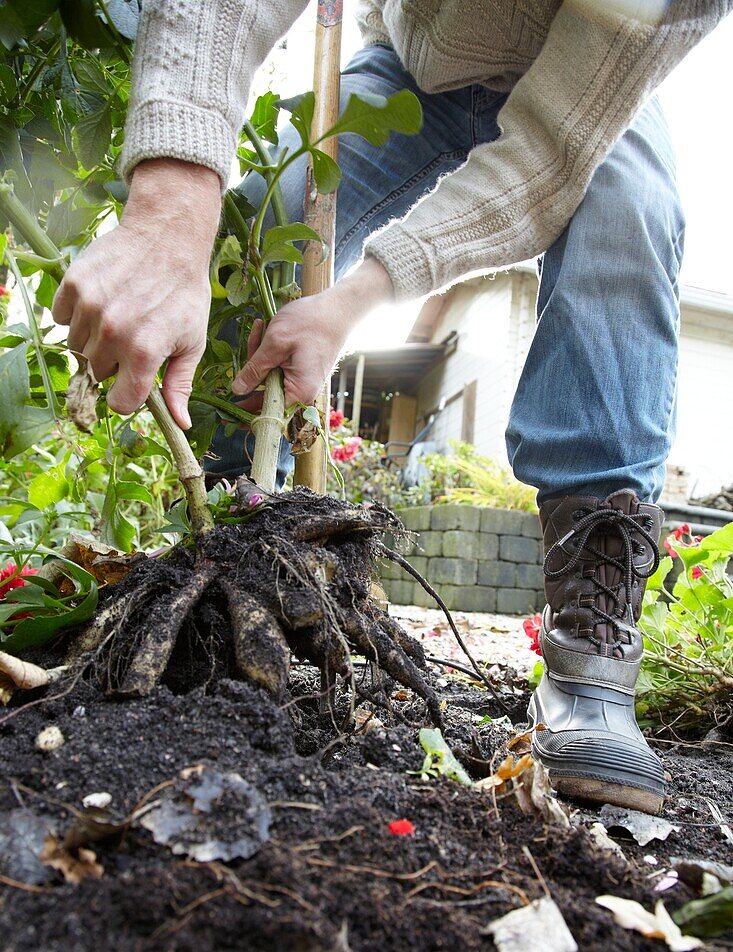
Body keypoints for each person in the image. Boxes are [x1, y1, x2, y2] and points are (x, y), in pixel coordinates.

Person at [51, 0, 730, 813]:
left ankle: (591, 654)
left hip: (582, 101)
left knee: (629, 221)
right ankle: (220, 584)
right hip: (415, 69)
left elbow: (547, 160)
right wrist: (172, 205)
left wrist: (354, 300)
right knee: (269, 199)